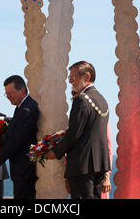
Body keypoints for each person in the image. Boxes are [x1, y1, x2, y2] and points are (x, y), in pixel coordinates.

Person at [45, 61, 111, 199]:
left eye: (72, 77)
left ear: (86, 77)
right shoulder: (102, 100)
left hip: (82, 165)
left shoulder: (81, 99)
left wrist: (55, 152)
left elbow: (74, 134)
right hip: (99, 164)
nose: (70, 82)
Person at [0, 75, 39, 199]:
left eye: (10, 93)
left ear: (22, 90)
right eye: (6, 94)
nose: (8, 97)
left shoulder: (28, 109)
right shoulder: (21, 107)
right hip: (20, 169)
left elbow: (17, 141)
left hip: (25, 169)